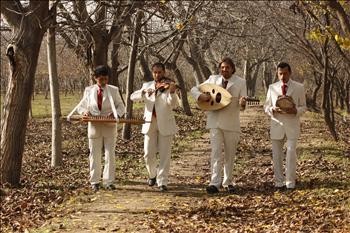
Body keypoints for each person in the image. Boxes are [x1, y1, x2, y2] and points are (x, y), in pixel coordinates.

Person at [191, 57, 247, 194]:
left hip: (231, 122)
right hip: (214, 121)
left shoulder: (240, 82)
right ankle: (214, 183)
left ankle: (228, 182)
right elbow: (194, 89)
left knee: (230, 154)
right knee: (216, 153)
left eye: (227, 67)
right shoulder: (212, 79)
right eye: (222, 67)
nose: (224, 70)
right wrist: (201, 97)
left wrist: (242, 103)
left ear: (232, 69)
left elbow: (243, 104)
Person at [130, 62, 180, 192]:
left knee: (164, 155)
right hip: (149, 123)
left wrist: (173, 92)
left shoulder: (169, 85)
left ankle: (162, 181)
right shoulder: (147, 86)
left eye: (160, 72)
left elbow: (173, 104)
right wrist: (143, 92)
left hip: (165, 123)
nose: (157, 74)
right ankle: (152, 174)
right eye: (155, 72)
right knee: (148, 153)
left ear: (164, 72)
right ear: (152, 73)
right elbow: (132, 97)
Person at [74, 65, 125, 191]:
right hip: (94, 127)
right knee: (94, 154)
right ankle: (95, 181)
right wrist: (84, 112)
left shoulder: (113, 90)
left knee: (110, 155)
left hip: (110, 126)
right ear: (95, 78)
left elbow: (121, 106)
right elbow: (81, 106)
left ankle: (109, 181)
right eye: (101, 79)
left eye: (106, 79)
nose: (103, 82)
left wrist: (115, 114)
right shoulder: (89, 90)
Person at [264, 62, 306, 190]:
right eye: (280, 74)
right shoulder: (272, 87)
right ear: (277, 73)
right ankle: (278, 181)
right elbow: (266, 106)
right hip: (277, 124)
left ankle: (290, 181)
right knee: (277, 155)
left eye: (285, 73)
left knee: (291, 153)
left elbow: (304, 106)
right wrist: (273, 109)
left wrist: (296, 111)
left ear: (290, 73)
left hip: (292, 124)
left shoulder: (299, 87)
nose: (282, 76)